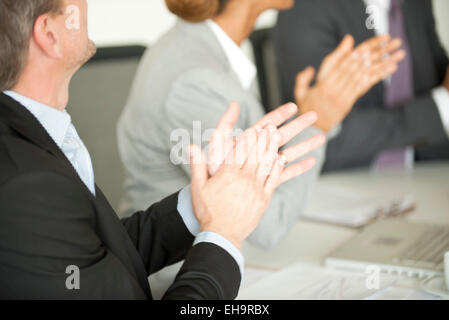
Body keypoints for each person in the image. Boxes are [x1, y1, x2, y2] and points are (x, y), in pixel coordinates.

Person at [0, 0, 324, 299]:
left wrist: (204, 200)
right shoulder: (26, 183)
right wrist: (223, 233)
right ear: (49, 34)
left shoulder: (32, 134)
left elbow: (97, 258)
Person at [117, 0, 403, 249]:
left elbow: (248, 162)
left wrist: (314, 110)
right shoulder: (195, 82)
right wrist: (317, 122)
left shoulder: (200, 49)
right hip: (184, 283)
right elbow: (267, 225)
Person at [275, 0, 449, 172]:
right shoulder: (305, 8)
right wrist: (442, 106)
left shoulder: (417, 4)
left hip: (429, 175)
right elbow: (327, 138)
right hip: (345, 183)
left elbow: (436, 76)